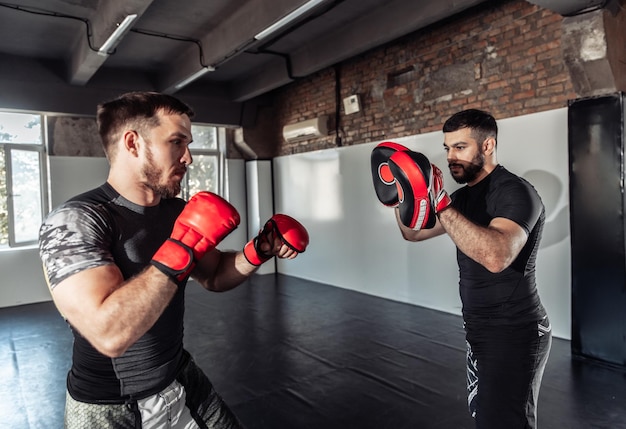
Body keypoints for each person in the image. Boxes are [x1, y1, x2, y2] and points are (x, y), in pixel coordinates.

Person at [38, 91, 309, 429]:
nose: (188, 158)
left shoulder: (177, 213)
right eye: (177, 142)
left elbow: (214, 275)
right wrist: (183, 245)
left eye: (188, 143)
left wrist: (259, 251)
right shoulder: (77, 220)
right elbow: (108, 334)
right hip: (108, 407)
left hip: (180, 379)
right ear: (133, 144)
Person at [371, 109, 551, 428]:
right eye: (447, 148)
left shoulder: (515, 191)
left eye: (460, 147)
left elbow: (497, 256)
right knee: (486, 417)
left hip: (515, 331)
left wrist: (439, 200)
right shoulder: (463, 198)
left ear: (487, 146)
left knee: (505, 422)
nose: (451, 157)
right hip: (480, 328)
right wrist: (398, 196)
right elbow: (413, 232)